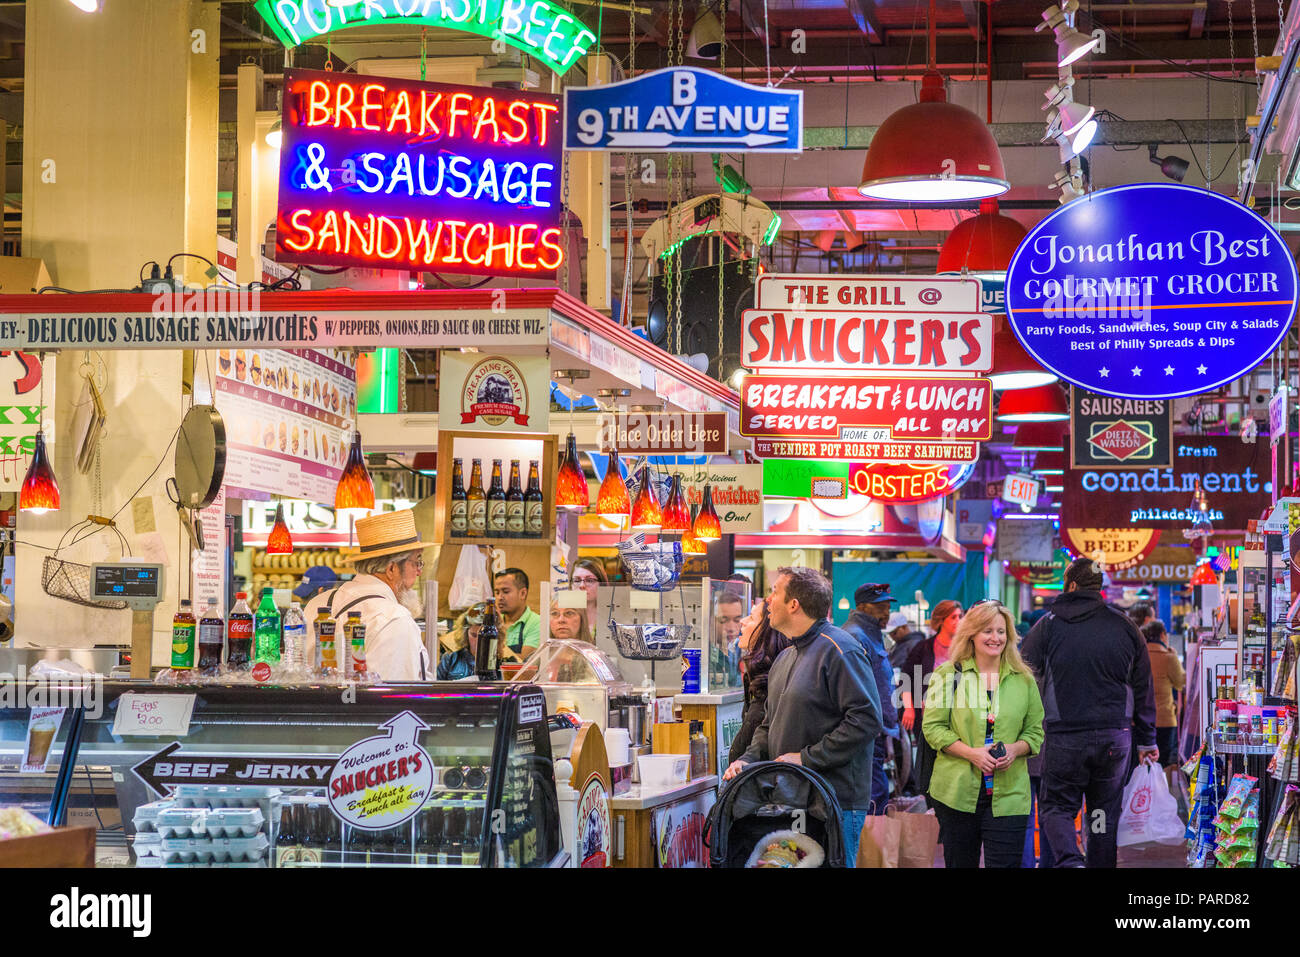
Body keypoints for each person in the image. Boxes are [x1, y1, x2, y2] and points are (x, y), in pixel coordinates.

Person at [724, 567, 882, 865]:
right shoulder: (787, 656)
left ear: (794, 604)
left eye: (774, 592)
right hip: (792, 798)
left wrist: (807, 757)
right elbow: (768, 723)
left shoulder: (841, 649)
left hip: (836, 801)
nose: (768, 600)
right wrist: (747, 760)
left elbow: (866, 719)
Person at [1022, 557, 1158, 868]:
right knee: (1101, 812)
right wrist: (1147, 739)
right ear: (1099, 588)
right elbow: (1143, 687)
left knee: (1057, 807)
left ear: (1070, 585)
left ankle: (1070, 861)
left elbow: (1023, 674)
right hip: (1114, 740)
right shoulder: (1125, 626)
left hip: (1064, 736)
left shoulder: (1049, 626)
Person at [923, 601, 1045, 868]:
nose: (995, 638)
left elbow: (1035, 731)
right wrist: (971, 754)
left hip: (1010, 795)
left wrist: (1015, 749)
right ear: (972, 634)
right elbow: (932, 728)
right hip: (956, 794)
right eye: (987, 631)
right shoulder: (948, 675)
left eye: (1001, 632)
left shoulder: (1024, 679)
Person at [302, 509, 432, 680]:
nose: (419, 572)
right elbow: (394, 697)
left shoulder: (317, 604)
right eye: (417, 563)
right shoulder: (394, 619)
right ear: (391, 569)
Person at [841, 583, 902, 815]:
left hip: (876, 728)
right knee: (874, 795)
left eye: (887, 606)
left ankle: (872, 848)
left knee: (877, 793)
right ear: (863, 607)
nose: (886, 612)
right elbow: (855, 689)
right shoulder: (856, 636)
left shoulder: (869, 634)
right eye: (880, 607)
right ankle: (869, 850)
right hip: (868, 729)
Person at [900, 599, 963, 797]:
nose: (958, 621)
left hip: (959, 716)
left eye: (960, 616)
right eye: (953, 617)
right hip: (927, 715)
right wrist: (909, 708)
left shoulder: (966, 649)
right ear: (941, 620)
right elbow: (906, 677)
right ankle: (930, 800)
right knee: (929, 761)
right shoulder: (924, 647)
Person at [727, 601, 792, 763]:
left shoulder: (772, 687)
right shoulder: (756, 682)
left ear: (767, 632)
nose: (743, 621)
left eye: (752, 617)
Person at [1142, 619, 1186, 768]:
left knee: (1142, 763)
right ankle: (1160, 790)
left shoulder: (1139, 655)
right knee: (1163, 763)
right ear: (1162, 635)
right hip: (1164, 719)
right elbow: (1180, 682)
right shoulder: (1168, 657)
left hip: (1141, 719)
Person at [494, 568, 542, 659]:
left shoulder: (537, 622)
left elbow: (525, 661)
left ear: (523, 593)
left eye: (505, 592)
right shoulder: (493, 622)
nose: (500, 597)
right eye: (497, 592)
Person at [710, 589, 746, 688]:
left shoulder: (744, 651)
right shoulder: (705, 655)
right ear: (711, 620)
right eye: (723, 620)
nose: (731, 628)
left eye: (737, 620)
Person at [570, 559, 608, 636]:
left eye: (589, 580)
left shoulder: (612, 617)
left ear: (601, 584)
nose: (582, 586)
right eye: (577, 580)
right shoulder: (561, 617)